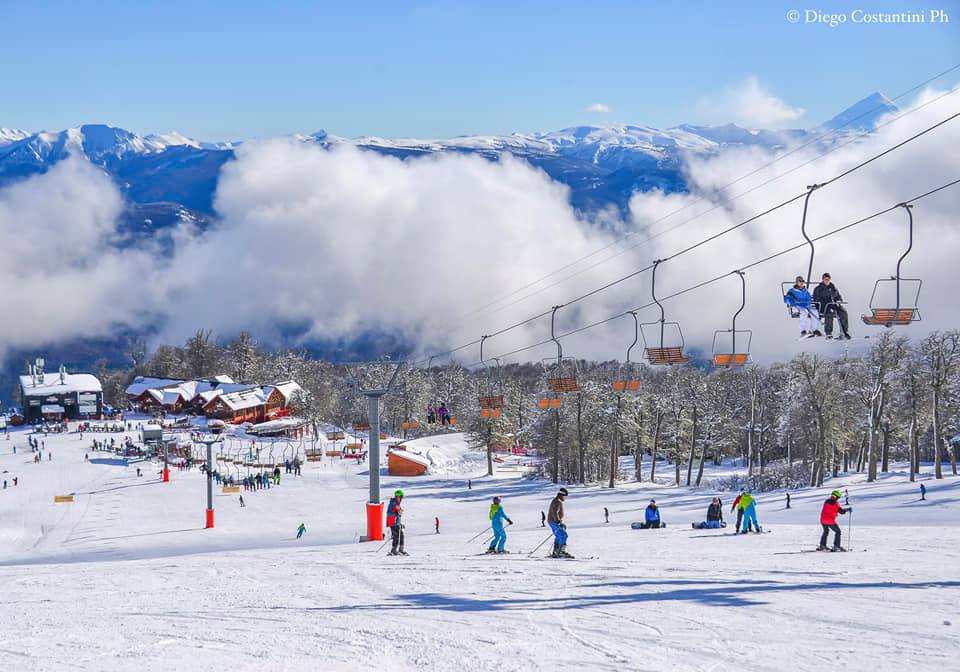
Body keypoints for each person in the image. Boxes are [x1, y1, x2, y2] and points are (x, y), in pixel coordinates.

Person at [813, 273, 851, 339]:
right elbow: (816, 298)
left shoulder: (833, 287)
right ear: (823, 280)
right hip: (823, 306)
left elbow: (838, 296)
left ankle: (844, 332)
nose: (827, 281)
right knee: (829, 313)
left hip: (833, 305)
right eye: (825, 279)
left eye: (828, 279)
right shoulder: (818, 288)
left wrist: (839, 300)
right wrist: (827, 303)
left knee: (843, 312)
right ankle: (828, 333)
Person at [547, 488, 572, 558]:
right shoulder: (558, 501)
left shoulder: (556, 500)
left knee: (559, 536)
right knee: (563, 535)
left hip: (553, 521)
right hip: (554, 521)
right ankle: (561, 552)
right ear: (562, 495)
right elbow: (555, 512)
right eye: (565, 496)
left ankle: (556, 552)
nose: (565, 498)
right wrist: (558, 522)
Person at [387, 490, 407, 556]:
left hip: (396, 523)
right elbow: (390, 513)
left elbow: (398, 514)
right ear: (397, 497)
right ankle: (393, 550)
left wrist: (399, 523)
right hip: (393, 523)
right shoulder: (393, 503)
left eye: (401, 497)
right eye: (399, 497)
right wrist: (397, 512)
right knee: (396, 536)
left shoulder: (396, 504)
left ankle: (401, 550)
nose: (400, 499)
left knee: (401, 535)